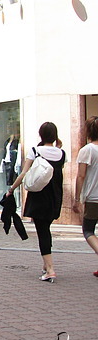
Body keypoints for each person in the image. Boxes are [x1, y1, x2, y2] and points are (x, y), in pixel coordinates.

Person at [6, 122, 65, 283]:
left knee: (42, 232)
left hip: (39, 196)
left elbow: (24, 173)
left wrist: (11, 189)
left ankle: (50, 269)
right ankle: (46, 265)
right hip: (55, 196)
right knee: (46, 229)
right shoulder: (61, 154)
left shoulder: (35, 151)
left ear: (41, 135)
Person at [72, 116, 98, 275]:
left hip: (93, 198)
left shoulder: (87, 150)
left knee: (88, 230)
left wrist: (77, 199)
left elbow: (81, 176)